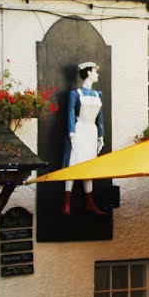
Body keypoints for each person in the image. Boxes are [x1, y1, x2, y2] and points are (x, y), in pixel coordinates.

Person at [62, 61, 106, 215]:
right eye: (95, 71)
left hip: (91, 132)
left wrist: (101, 136)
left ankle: (90, 202)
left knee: (89, 164)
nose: (97, 74)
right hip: (80, 129)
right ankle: (66, 201)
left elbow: (100, 118)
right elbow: (70, 113)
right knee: (74, 161)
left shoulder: (97, 94)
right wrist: (72, 132)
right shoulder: (76, 93)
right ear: (88, 73)